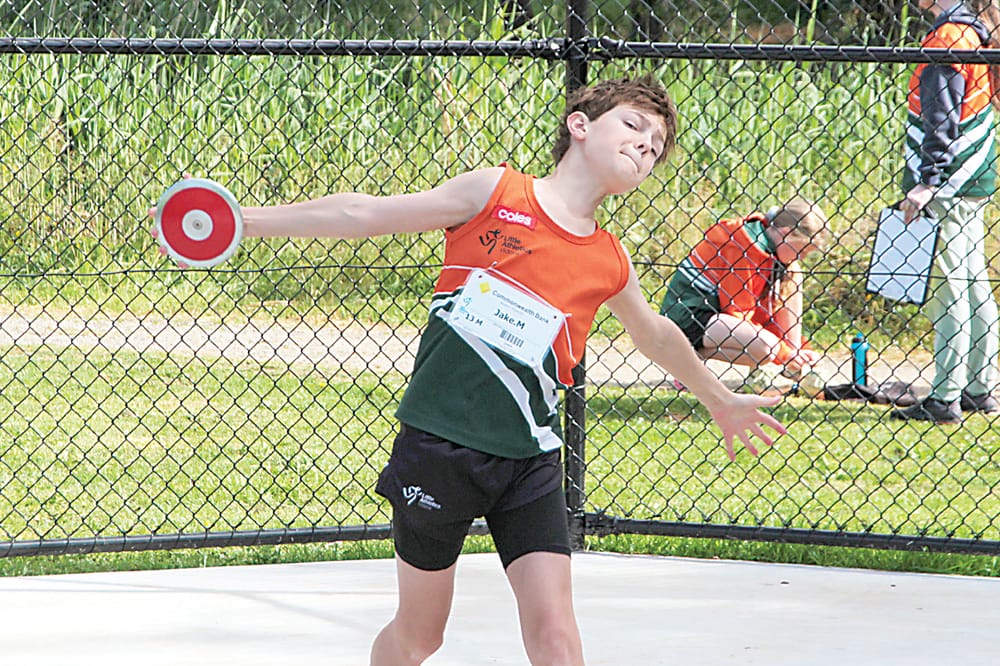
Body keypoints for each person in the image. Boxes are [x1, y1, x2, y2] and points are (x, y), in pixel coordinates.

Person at [153, 75, 785, 665]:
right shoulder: (496, 193)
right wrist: (244, 223)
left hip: (530, 459)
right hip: (441, 447)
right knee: (419, 635)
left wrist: (719, 397)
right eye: (634, 126)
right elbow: (364, 214)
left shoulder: (609, 259)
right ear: (581, 125)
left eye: (656, 147)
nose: (646, 146)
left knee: (557, 637)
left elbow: (657, 335)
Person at [893, 0, 1000, 423]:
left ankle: (944, 396)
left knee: (949, 288)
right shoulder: (975, 32)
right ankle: (978, 387)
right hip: (973, 182)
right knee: (974, 281)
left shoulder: (948, 37)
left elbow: (941, 118)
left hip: (947, 186)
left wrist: (927, 182)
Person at [659, 199, 828, 391]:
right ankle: (686, 362)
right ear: (786, 233)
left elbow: (765, 311)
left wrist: (798, 351)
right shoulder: (743, 246)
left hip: (720, 319)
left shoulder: (774, 252)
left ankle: (796, 363)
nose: (802, 257)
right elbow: (738, 312)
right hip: (689, 316)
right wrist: (783, 352)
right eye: (802, 250)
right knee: (766, 347)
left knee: (793, 275)